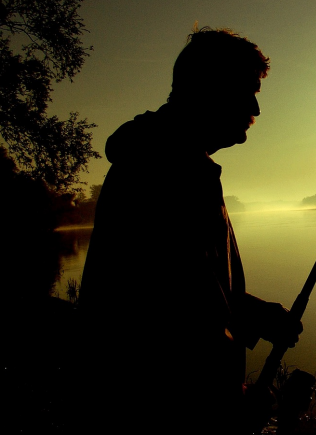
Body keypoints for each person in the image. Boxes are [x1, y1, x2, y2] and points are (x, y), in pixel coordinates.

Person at [78, 27, 301, 433]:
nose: (256, 106)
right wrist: (225, 406)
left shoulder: (171, 159)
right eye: (247, 89)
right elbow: (173, 325)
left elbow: (185, 283)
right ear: (211, 88)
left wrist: (254, 314)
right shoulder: (166, 169)